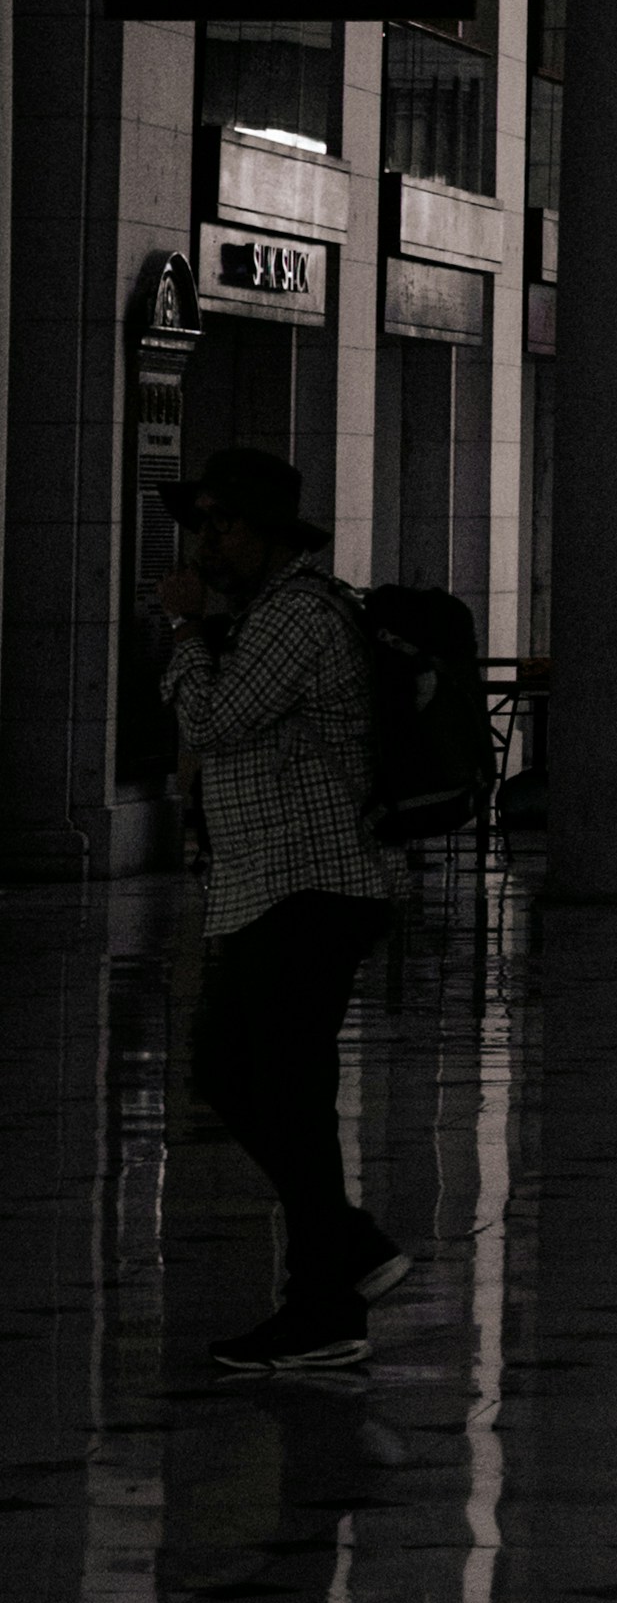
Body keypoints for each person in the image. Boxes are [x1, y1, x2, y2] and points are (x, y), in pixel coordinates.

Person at [148, 444, 412, 1380]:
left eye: (220, 524)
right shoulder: (269, 614)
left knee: (263, 1081)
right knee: (251, 1078)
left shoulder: (296, 616)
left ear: (264, 533)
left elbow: (216, 722)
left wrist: (182, 635)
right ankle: (345, 1258)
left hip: (313, 887)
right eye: (201, 523)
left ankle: (326, 1299)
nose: (203, 541)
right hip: (276, 888)